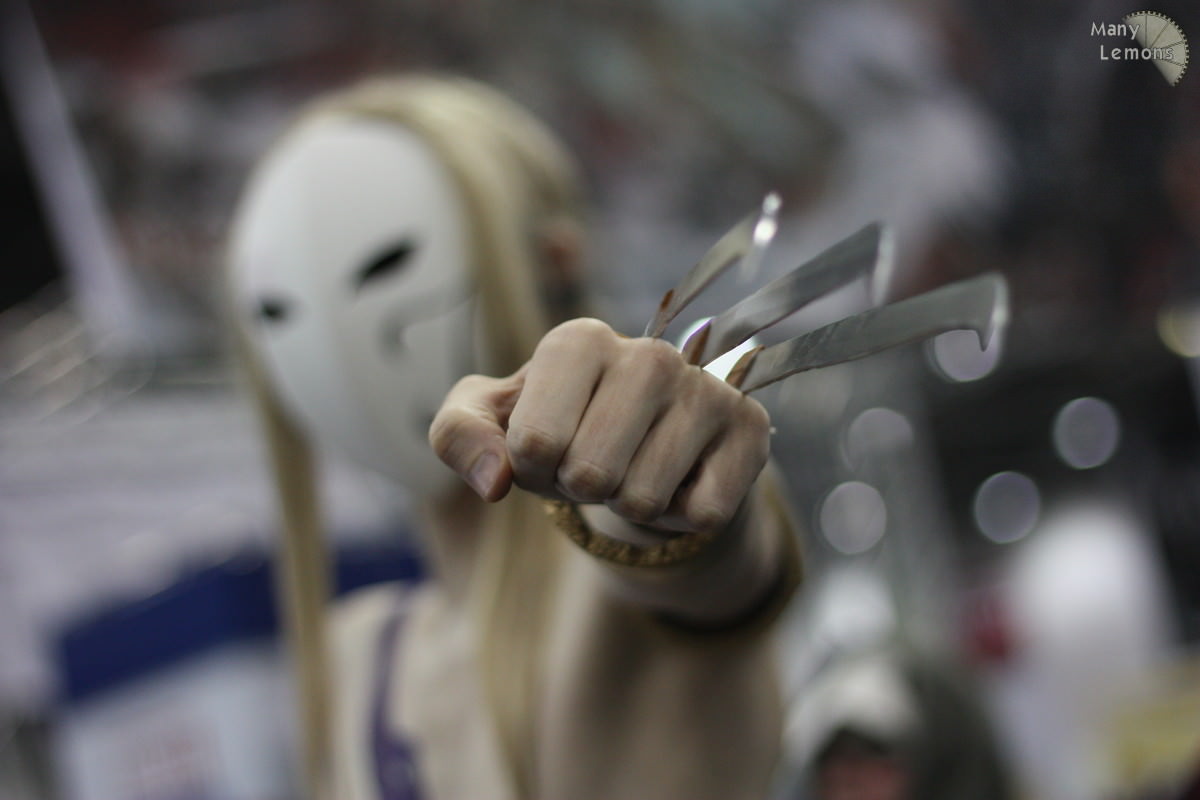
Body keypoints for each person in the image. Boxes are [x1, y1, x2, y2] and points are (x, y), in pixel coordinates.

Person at [227, 74, 802, 800]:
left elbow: (699, 563)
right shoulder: (356, 661)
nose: (341, 348)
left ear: (554, 263)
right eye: (280, 311)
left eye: (386, 268)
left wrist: (663, 487)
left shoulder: (611, 595)